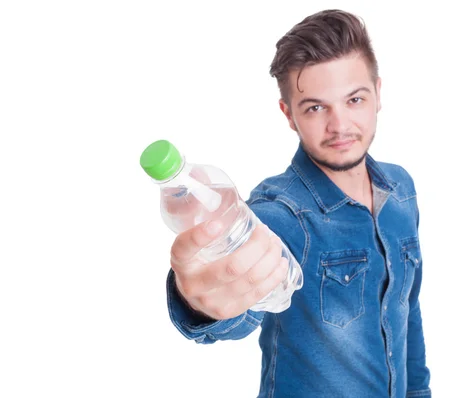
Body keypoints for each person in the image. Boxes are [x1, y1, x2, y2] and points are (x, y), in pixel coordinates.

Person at [167, 9, 432, 398]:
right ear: (288, 114)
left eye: (354, 99)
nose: (340, 125)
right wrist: (199, 302)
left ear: (378, 94)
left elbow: (408, 314)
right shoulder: (281, 213)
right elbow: (236, 306)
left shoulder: (400, 190)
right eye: (315, 107)